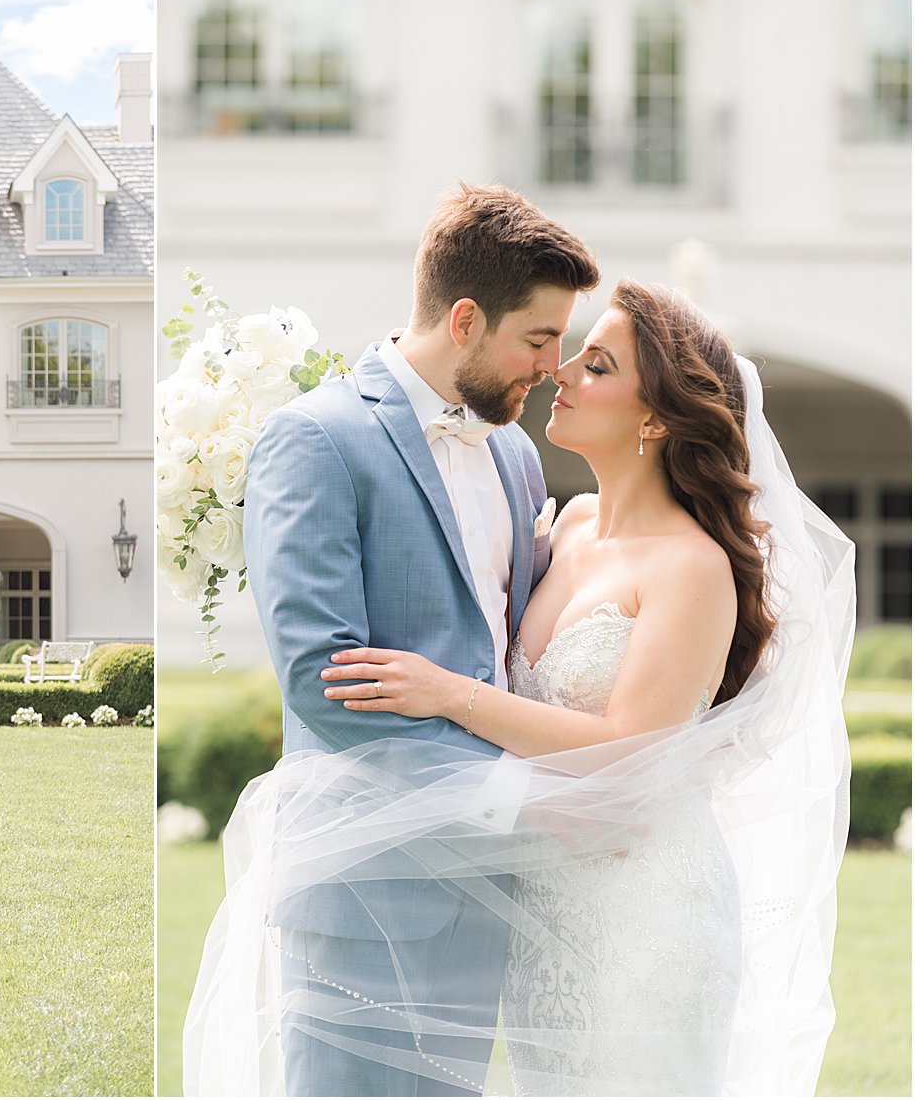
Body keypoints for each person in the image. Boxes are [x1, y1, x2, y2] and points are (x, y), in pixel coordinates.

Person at [186, 272, 853, 1096]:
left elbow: (629, 749)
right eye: (562, 351)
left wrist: (447, 693)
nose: (560, 373)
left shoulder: (692, 567)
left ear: (654, 418)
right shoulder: (561, 523)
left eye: (597, 365)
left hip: (639, 901)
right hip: (540, 899)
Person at [186, 183, 600, 1096]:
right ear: (464, 319)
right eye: (538, 338)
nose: (555, 364)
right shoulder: (316, 439)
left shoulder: (516, 454)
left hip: (492, 904)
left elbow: (508, 654)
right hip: (368, 894)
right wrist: (513, 800)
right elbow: (321, 676)